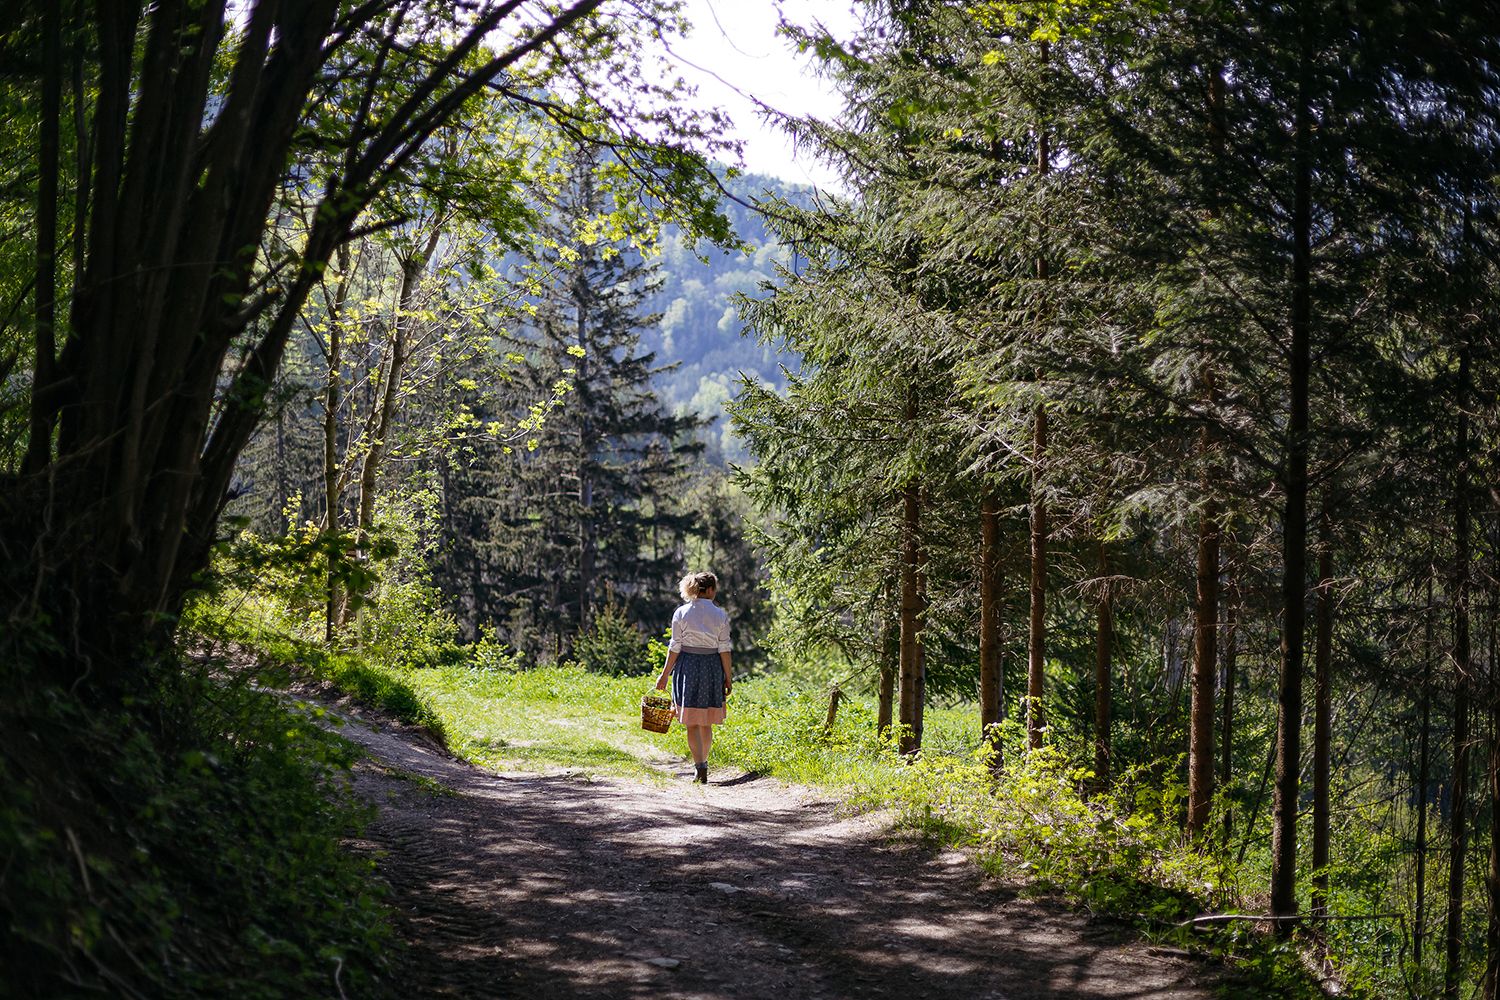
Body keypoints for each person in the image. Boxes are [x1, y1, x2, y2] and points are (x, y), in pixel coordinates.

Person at [655, 571, 733, 784]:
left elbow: (675, 647)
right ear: (709, 590)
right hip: (711, 667)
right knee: (706, 722)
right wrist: (728, 677)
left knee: (691, 722)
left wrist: (664, 675)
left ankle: (698, 766)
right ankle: (704, 763)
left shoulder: (681, 612)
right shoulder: (720, 615)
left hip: (687, 667)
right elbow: (724, 649)